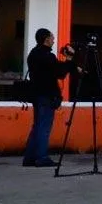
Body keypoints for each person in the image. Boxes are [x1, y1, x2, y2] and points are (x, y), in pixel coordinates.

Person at [22, 28, 78, 167]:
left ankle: (29, 158)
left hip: (37, 95)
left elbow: (55, 69)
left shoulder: (34, 54)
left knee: (37, 126)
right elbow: (60, 73)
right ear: (46, 39)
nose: (54, 40)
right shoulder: (47, 56)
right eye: (52, 38)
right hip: (46, 96)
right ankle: (41, 157)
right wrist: (69, 59)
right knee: (44, 127)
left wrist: (67, 63)